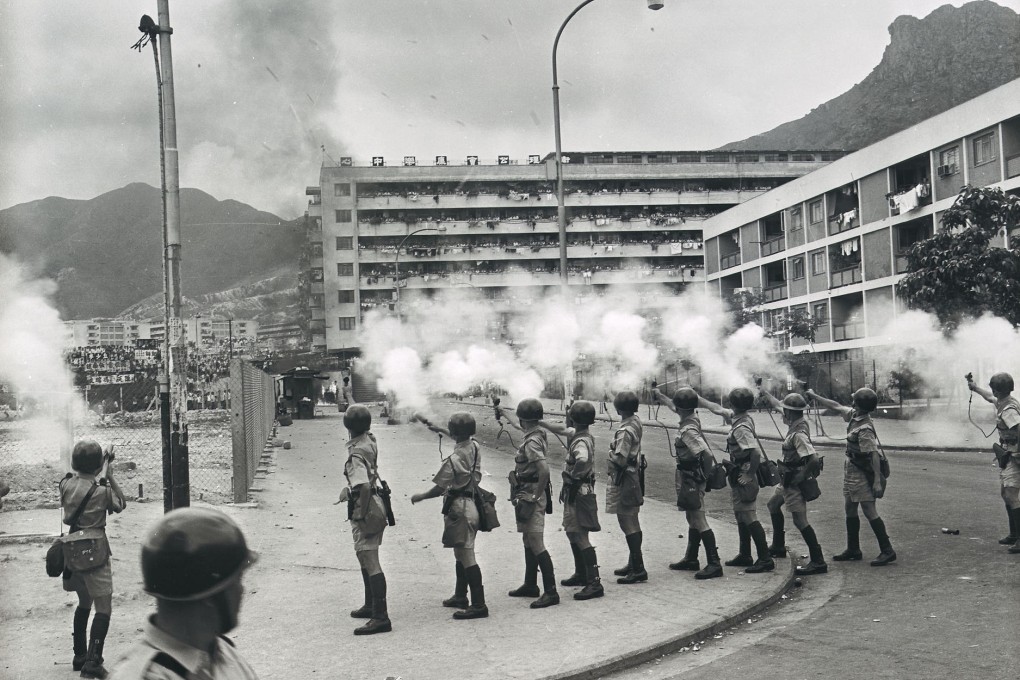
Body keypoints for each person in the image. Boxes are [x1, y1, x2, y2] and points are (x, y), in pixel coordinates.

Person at [107, 508, 258, 679]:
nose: (242, 590)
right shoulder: (139, 675)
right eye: (236, 581)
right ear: (210, 595)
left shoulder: (224, 653)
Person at [410, 412, 489, 619]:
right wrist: (435, 426)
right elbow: (458, 437)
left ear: (454, 433)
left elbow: (438, 488)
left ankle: (479, 604)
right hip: (472, 503)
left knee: (466, 554)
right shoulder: (474, 446)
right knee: (460, 552)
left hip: (460, 508)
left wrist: (421, 496)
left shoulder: (453, 460)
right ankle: (460, 595)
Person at [807, 387, 896, 566]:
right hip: (851, 468)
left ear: (858, 404)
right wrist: (814, 395)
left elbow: (873, 455)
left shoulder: (865, 428)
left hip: (862, 471)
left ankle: (887, 550)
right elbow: (836, 406)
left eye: (854, 398)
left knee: (869, 510)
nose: (851, 400)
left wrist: (877, 482)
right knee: (850, 508)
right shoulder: (855, 415)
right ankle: (853, 549)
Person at [60, 440, 126, 679]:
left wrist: (102, 469)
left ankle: (79, 655)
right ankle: (93, 661)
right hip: (95, 554)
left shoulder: (65, 484)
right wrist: (110, 473)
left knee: (84, 603)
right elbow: (120, 503)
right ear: (99, 465)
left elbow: (85, 484)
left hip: (73, 553)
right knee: (104, 608)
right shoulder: (102, 492)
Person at [697, 387, 775, 573]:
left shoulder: (740, 428)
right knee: (741, 514)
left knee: (748, 515)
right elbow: (717, 408)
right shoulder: (742, 418)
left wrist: (749, 474)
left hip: (744, 472)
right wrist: (699, 398)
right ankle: (745, 554)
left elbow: (754, 452)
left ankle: (765, 559)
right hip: (739, 471)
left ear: (733, 404)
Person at [651, 385, 724, 580]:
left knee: (698, 518)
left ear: (681, 408)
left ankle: (714, 563)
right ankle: (691, 558)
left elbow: (706, 454)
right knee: (692, 517)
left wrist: (704, 476)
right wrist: (660, 396)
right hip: (688, 476)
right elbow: (675, 407)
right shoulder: (690, 417)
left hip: (691, 477)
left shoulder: (688, 430)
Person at [757, 388, 828, 576]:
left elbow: (813, 458)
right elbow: (778, 406)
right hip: (786, 479)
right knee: (773, 504)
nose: (782, 412)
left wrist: (801, 475)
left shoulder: (798, 434)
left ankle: (818, 560)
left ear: (789, 413)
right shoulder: (796, 421)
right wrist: (765, 393)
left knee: (800, 520)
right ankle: (778, 546)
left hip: (794, 482)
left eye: (785, 410)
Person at [538, 401, 604, 600]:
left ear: (573, 418)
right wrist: (542, 422)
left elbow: (582, 459)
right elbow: (561, 428)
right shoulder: (581, 434)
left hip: (579, 491)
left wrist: (573, 477)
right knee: (572, 532)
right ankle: (582, 573)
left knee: (580, 535)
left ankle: (594, 582)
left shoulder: (580, 442)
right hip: (576, 490)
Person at [337, 404, 392, 634]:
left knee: (369, 558)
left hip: (367, 506)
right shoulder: (369, 440)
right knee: (366, 557)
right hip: (378, 505)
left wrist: (359, 513)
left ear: (348, 426)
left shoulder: (356, 455)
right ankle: (371, 605)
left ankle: (381, 617)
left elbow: (363, 485)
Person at [500, 397, 559, 608]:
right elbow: (517, 425)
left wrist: (535, 496)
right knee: (528, 539)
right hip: (525, 492)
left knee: (535, 541)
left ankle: (551, 592)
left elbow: (544, 470)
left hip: (531, 493)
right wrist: (503, 412)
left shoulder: (532, 441)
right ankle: (530, 584)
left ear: (524, 419)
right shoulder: (535, 432)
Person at [967, 372, 1020, 554]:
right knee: (1005, 493)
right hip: (1010, 454)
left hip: (1014, 455)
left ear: (998, 390)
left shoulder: (1009, 411)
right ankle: (1014, 535)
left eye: (993, 388)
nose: (992, 392)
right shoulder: (1004, 401)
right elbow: (989, 398)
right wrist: (974, 387)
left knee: (1011, 494)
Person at [605, 390, 648, 585]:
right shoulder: (635, 422)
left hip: (624, 478)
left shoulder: (624, 432)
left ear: (618, 409)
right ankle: (634, 563)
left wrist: (610, 454)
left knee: (626, 521)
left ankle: (638, 568)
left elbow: (620, 460)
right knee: (633, 519)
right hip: (634, 476)